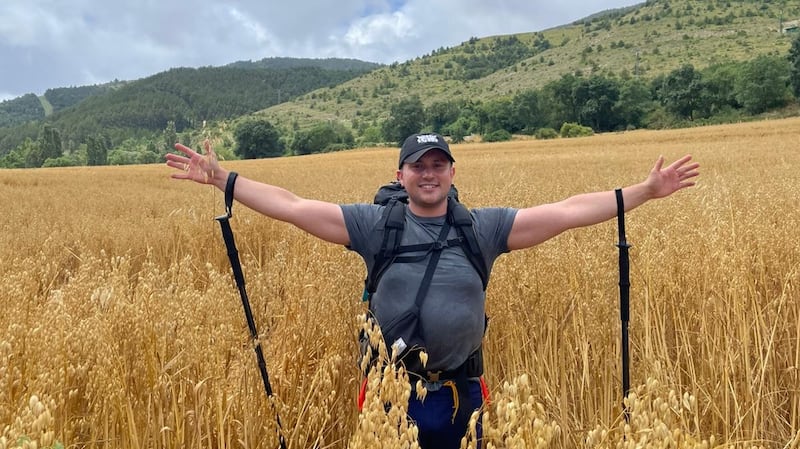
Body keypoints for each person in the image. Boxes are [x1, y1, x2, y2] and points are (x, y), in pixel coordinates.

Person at [165, 133, 699, 449]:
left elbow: (564, 212)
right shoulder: (377, 226)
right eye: (419, 165)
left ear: (450, 172)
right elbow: (294, 204)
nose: (429, 173)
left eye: (438, 164)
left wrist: (645, 192)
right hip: (393, 396)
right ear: (399, 175)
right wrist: (223, 180)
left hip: (464, 391)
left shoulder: (481, 229)